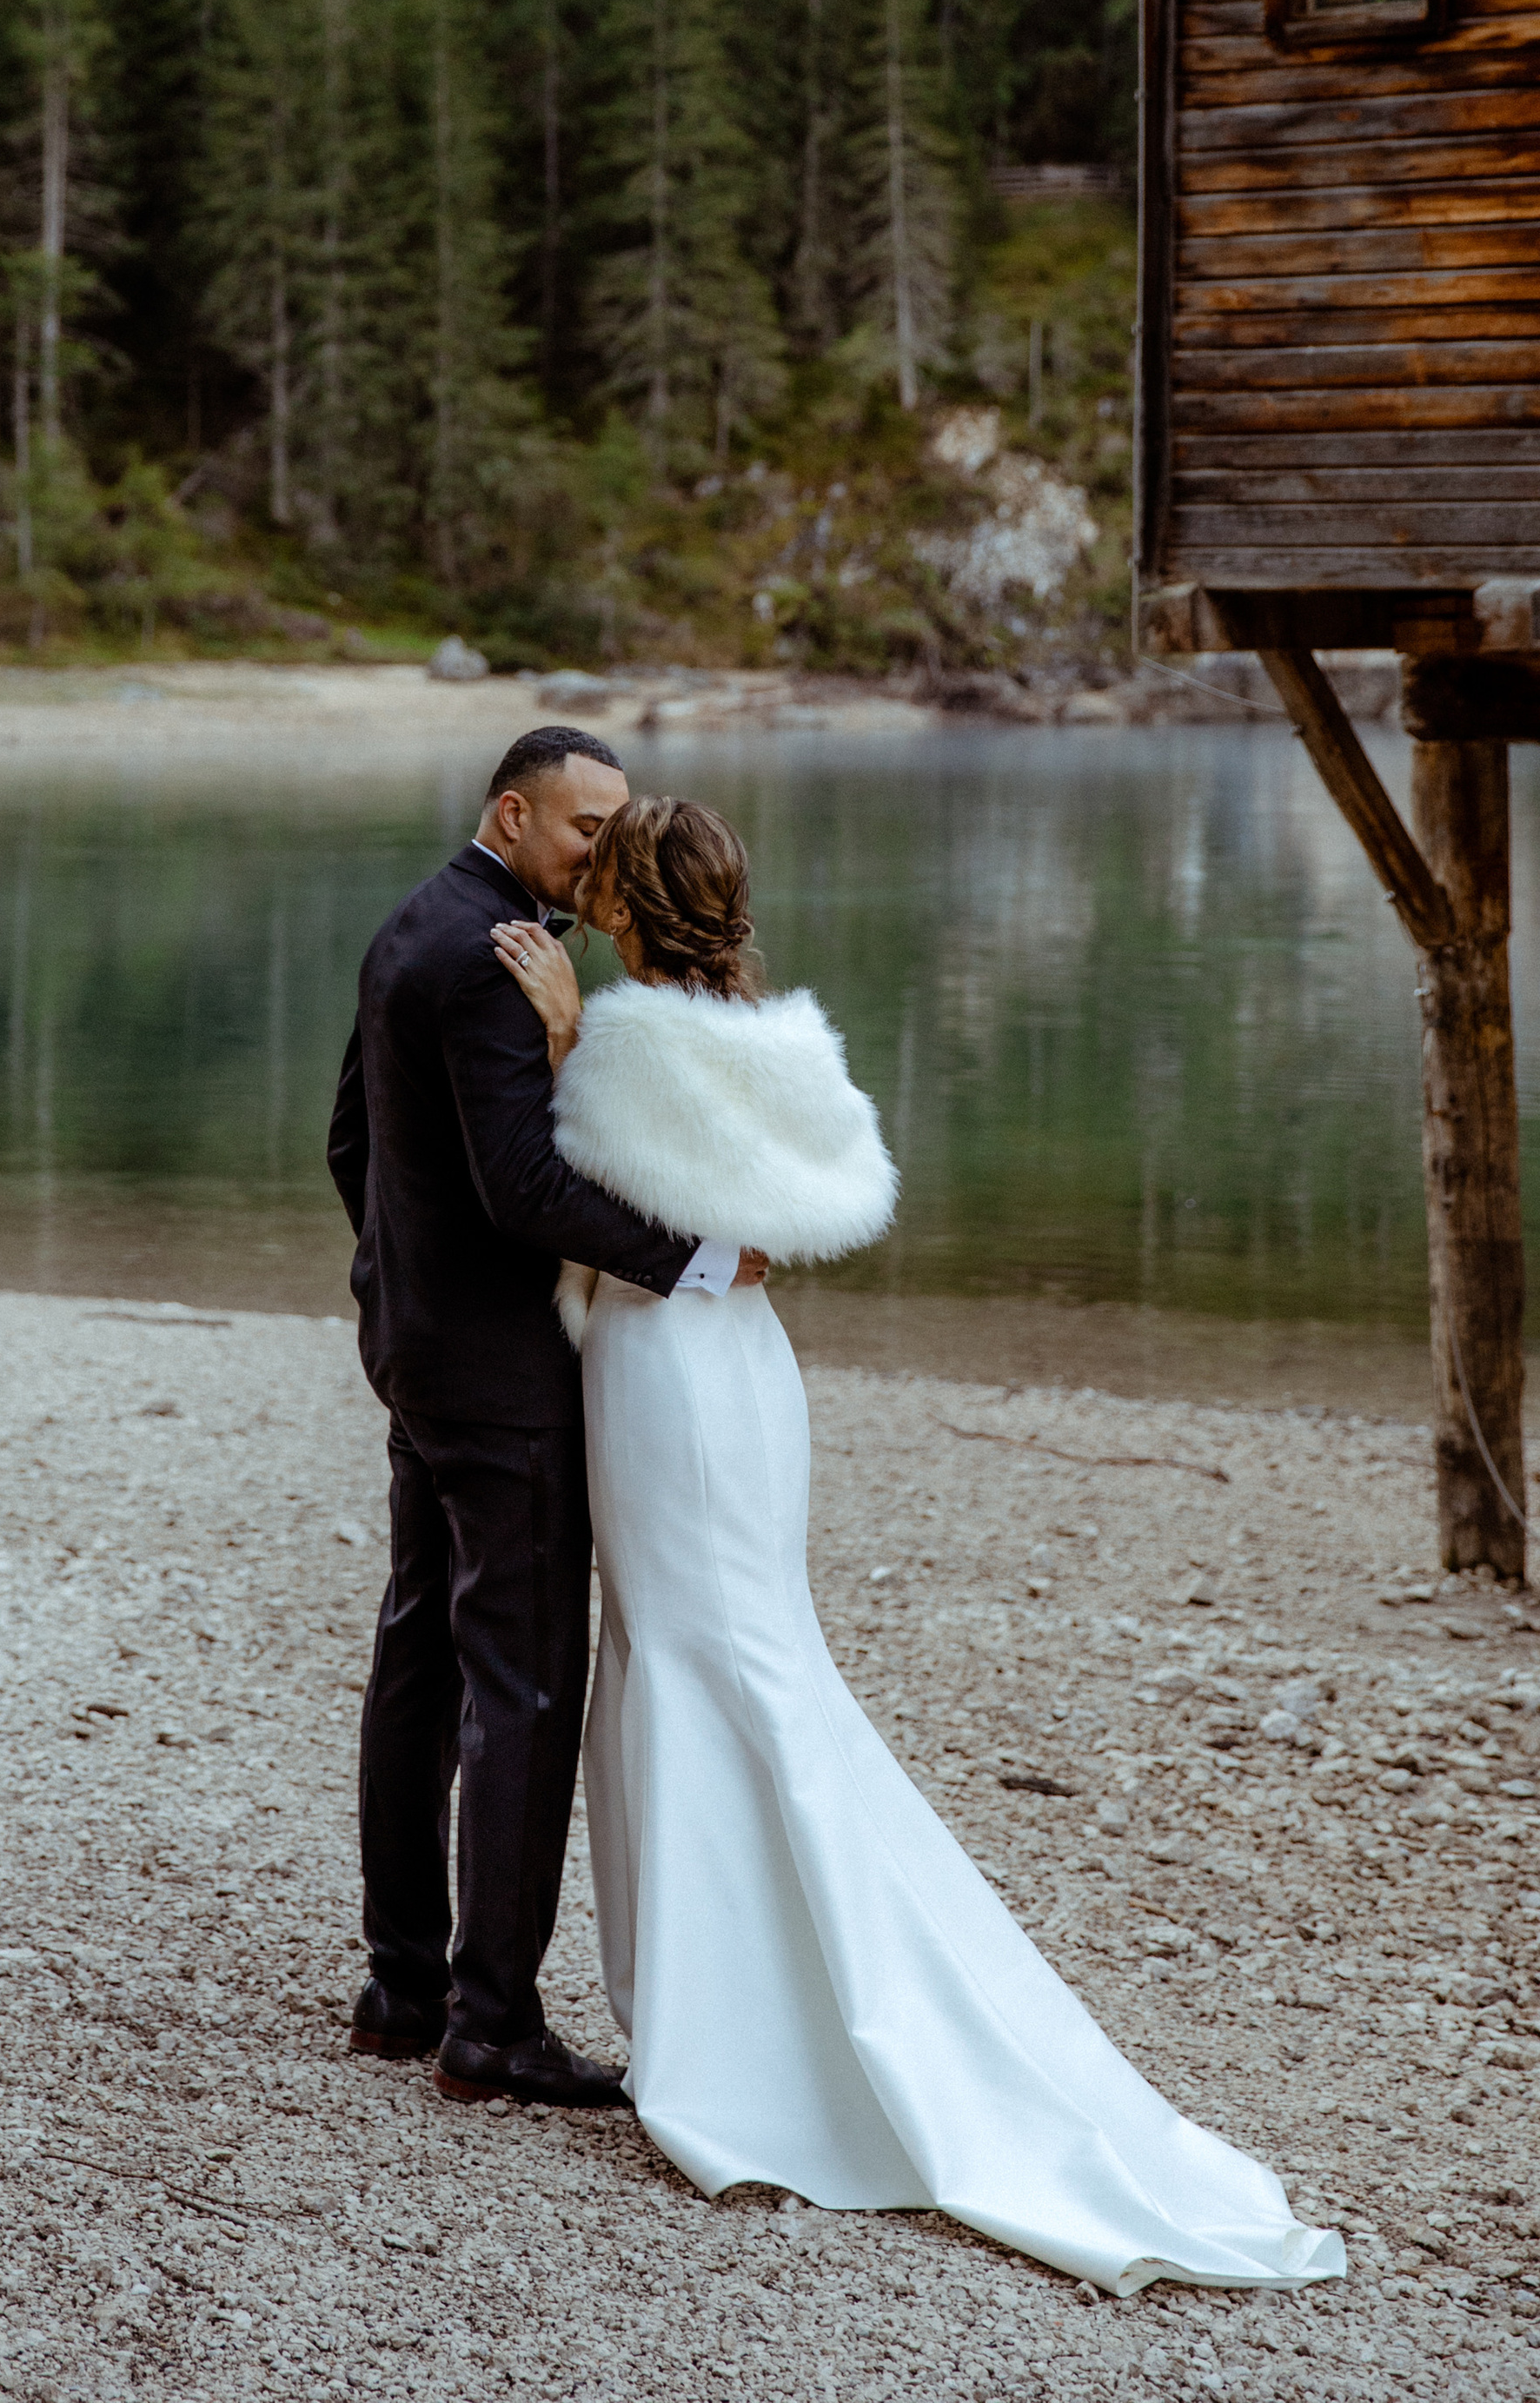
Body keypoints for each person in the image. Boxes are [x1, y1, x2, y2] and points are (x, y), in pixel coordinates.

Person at [490, 793, 1347, 2299]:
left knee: (697, 1668)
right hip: (744, 1372)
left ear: (626, 901)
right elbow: (754, 1222)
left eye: (602, 873)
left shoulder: (626, 1040)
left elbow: (569, 1193)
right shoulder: (774, 1039)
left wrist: (561, 1037)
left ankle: (722, 2043)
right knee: (740, 1660)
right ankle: (739, 2007)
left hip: (666, 1373)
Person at [325, 726, 763, 2110]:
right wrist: (693, 1262)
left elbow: (353, 1140)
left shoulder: (421, 922)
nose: (609, 850)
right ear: (513, 814)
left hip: (419, 1345)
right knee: (518, 1679)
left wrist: (397, 1281)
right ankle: (494, 2023)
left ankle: (403, 1983)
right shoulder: (497, 956)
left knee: (421, 1653)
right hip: (500, 1372)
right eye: (587, 827)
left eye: (621, 825)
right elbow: (524, 1188)